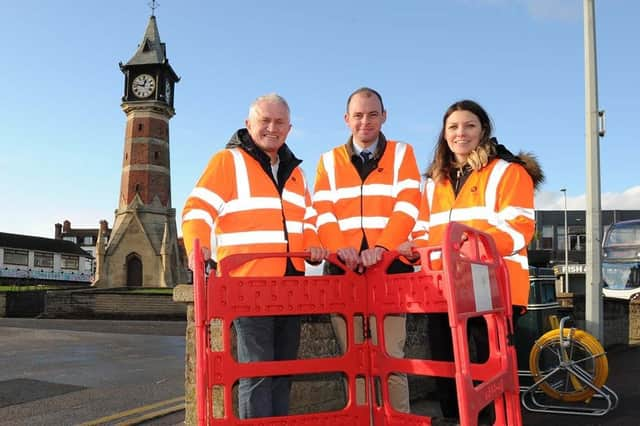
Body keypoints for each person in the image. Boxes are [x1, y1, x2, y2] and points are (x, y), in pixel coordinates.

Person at [181, 93, 328, 419]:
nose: (272, 128)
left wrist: (315, 242)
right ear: (249, 124)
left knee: (283, 368)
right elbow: (197, 209)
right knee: (258, 371)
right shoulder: (227, 161)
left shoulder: (297, 173)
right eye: (265, 121)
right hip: (248, 283)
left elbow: (310, 218)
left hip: (292, 282)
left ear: (289, 129)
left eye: (279, 123)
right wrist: (198, 246)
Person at [398, 99, 544, 422]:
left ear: (483, 130)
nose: (460, 133)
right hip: (444, 292)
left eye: (469, 126)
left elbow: (520, 228)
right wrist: (413, 247)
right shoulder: (435, 183)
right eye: (453, 127)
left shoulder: (509, 172)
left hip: (492, 290)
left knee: (489, 377)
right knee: (448, 374)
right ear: (444, 134)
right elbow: (423, 230)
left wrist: (463, 249)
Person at [312, 87, 421, 412]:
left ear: (384, 116)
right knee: (355, 362)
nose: (365, 122)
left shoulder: (403, 154)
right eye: (358, 115)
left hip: (389, 270)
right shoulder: (328, 161)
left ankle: (397, 421)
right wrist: (339, 247)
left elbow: (408, 205)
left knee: (392, 361)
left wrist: (382, 247)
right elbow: (322, 210)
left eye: (373, 114)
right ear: (347, 120)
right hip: (342, 270)